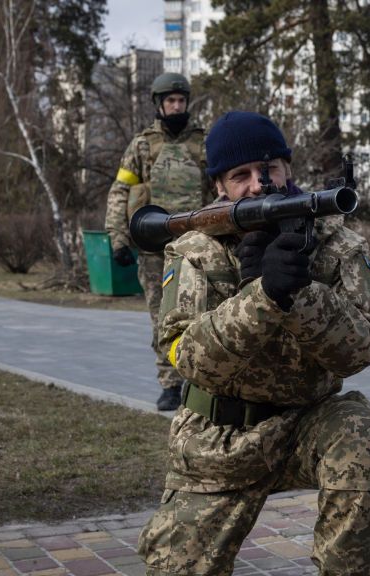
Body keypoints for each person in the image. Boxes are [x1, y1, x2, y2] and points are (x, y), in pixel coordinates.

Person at [136, 111, 370, 576]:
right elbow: (188, 359)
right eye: (242, 176)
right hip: (220, 438)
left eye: (269, 169)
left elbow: (365, 347)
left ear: (287, 170)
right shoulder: (197, 249)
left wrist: (300, 294)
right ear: (220, 186)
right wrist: (263, 297)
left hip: (307, 421)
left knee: (365, 440)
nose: (259, 185)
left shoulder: (333, 243)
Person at [104, 72, 215, 412]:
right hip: (154, 248)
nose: (177, 106)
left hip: (198, 245)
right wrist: (118, 238)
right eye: (171, 101)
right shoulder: (141, 145)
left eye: (181, 100)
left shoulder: (204, 142)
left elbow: (220, 190)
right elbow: (121, 191)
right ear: (159, 104)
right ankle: (170, 383)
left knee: (204, 313)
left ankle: (203, 381)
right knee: (162, 318)